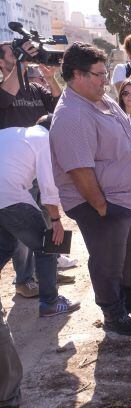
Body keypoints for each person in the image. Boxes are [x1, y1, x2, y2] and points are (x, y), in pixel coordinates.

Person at [50, 42, 131, 337]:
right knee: (108, 259)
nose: (104, 80)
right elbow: (80, 172)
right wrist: (102, 207)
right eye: (98, 74)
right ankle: (113, 313)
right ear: (77, 75)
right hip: (104, 202)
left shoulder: (102, 100)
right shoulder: (71, 115)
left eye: (104, 73)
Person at [1, 41, 66, 294]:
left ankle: (50, 273)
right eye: (13, 54)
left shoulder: (35, 89)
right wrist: (20, 63)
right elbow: (8, 91)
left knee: (47, 228)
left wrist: (51, 78)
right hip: (14, 174)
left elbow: (58, 109)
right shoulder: (4, 90)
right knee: (28, 236)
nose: (21, 58)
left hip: (35, 164)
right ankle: (25, 281)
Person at [0, 115, 79, 317]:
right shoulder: (45, 140)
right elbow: (48, 186)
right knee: (47, 246)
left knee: (6, 246)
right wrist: (55, 221)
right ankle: (50, 303)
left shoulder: (14, 133)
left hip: (6, 195)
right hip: (9, 195)